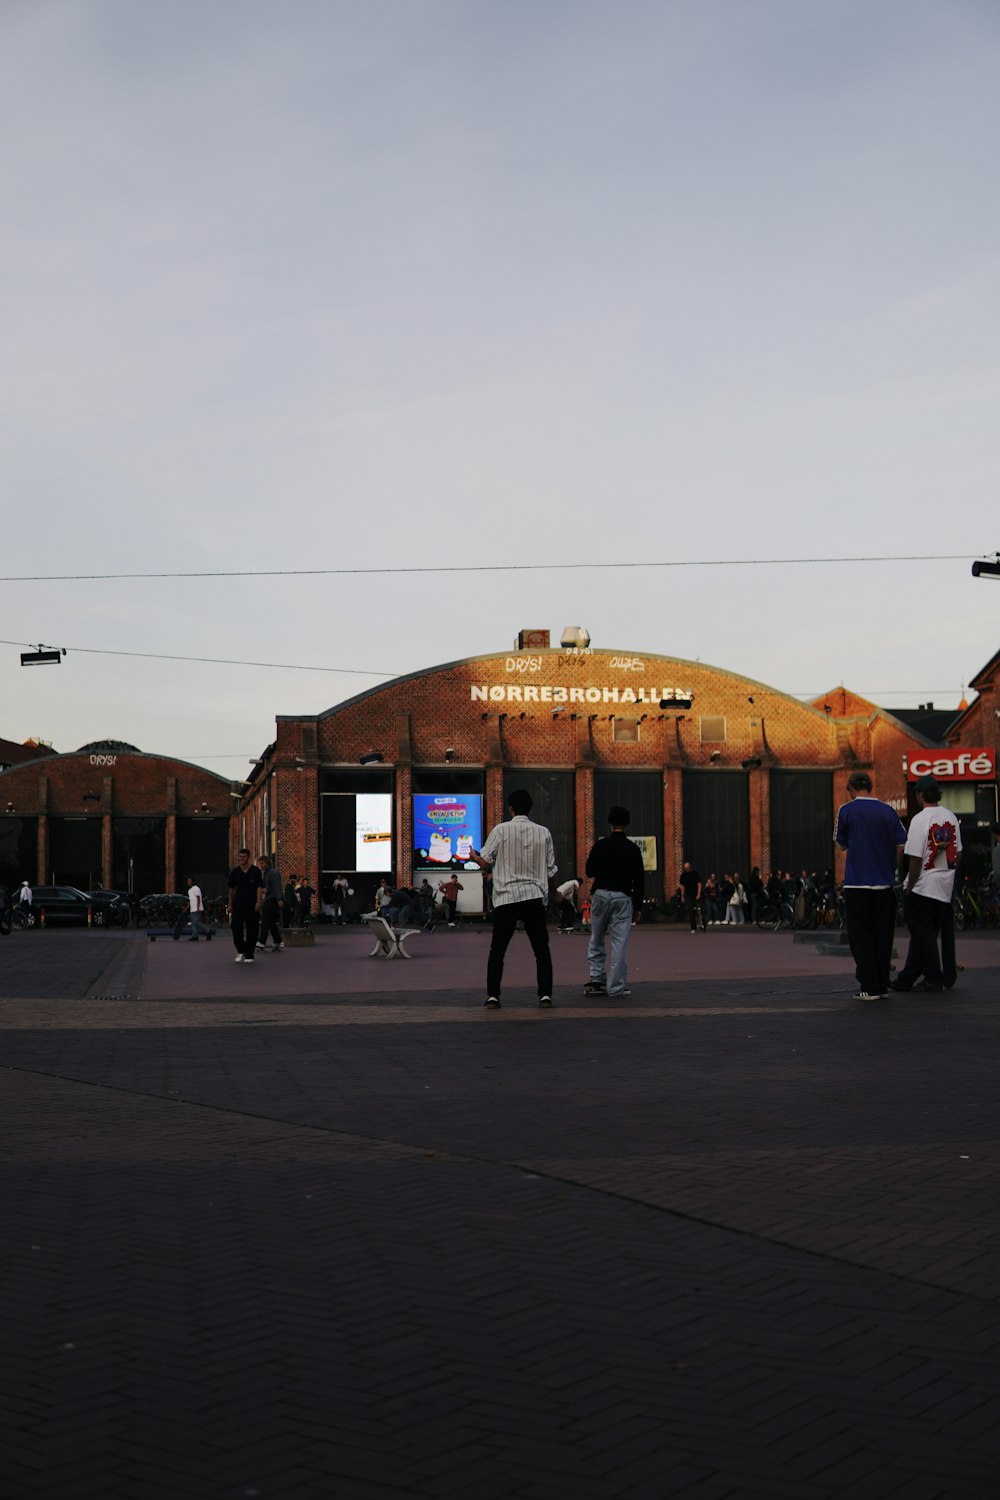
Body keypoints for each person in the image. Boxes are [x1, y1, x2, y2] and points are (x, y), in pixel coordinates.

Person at [466, 788, 559, 1009]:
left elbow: (486, 862)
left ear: (511, 808)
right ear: (530, 808)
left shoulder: (500, 830)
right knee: (541, 949)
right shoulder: (544, 833)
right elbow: (550, 871)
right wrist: (554, 894)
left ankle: (493, 996)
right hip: (534, 896)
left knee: (498, 949)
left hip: (506, 898)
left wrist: (474, 856)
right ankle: (545, 995)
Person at [834, 771, 906, 1001]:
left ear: (851, 788)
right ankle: (882, 983)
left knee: (860, 935)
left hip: (857, 884)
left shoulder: (846, 810)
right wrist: (890, 866)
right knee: (883, 935)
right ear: (871, 786)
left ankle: (869, 985)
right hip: (884, 883)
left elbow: (841, 844)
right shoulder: (888, 811)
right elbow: (901, 844)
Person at [889, 776, 962, 993]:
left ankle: (933, 977)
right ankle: (907, 978)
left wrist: (909, 887)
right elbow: (958, 854)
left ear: (920, 795)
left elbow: (915, 859)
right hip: (943, 888)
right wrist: (946, 871)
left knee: (923, 936)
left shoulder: (920, 820)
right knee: (924, 935)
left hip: (922, 887)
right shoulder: (950, 816)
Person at [584, 807, 644, 997]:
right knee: (619, 943)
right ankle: (615, 987)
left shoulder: (600, 845)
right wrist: (638, 906)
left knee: (597, 937)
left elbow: (589, 871)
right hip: (622, 896)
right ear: (626, 824)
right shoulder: (633, 849)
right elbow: (640, 880)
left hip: (601, 894)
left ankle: (597, 977)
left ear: (610, 823)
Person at [228, 847, 264, 964]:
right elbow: (231, 889)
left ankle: (249, 954)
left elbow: (259, 888)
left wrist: (258, 902)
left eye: (243, 857)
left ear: (248, 858)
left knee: (252, 929)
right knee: (235, 927)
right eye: (240, 856)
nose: (241, 859)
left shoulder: (255, 871)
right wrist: (229, 904)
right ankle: (241, 949)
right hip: (238, 904)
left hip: (252, 904)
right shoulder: (234, 872)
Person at [256, 856, 285, 952]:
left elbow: (277, 886)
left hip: (272, 900)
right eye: (260, 864)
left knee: (265, 920)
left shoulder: (272, 873)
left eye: (262, 863)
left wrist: (279, 899)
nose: (261, 866)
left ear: (268, 863)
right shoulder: (267, 873)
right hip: (270, 899)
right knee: (271, 922)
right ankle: (278, 942)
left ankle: (261, 942)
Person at [182, 874, 213, 941]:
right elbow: (191, 900)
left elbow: (198, 898)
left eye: (189, 881)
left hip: (197, 908)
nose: (188, 882)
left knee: (195, 922)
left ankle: (207, 930)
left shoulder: (196, 888)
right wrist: (187, 908)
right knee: (194, 923)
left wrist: (198, 907)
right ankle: (195, 936)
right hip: (192, 909)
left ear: (193, 882)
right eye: (188, 881)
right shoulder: (189, 890)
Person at [679, 861, 702, 931]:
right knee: (690, 911)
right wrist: (682, 896)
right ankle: (693, 927)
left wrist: (699, 894)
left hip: (695, 893)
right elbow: (682, 886)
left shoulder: (695, 874)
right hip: (688, 895)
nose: (687, 870)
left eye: (688, 868)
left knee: (700, 910)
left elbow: (699, 884)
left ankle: (702, 923)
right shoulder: (683, 875)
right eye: (686, 868)